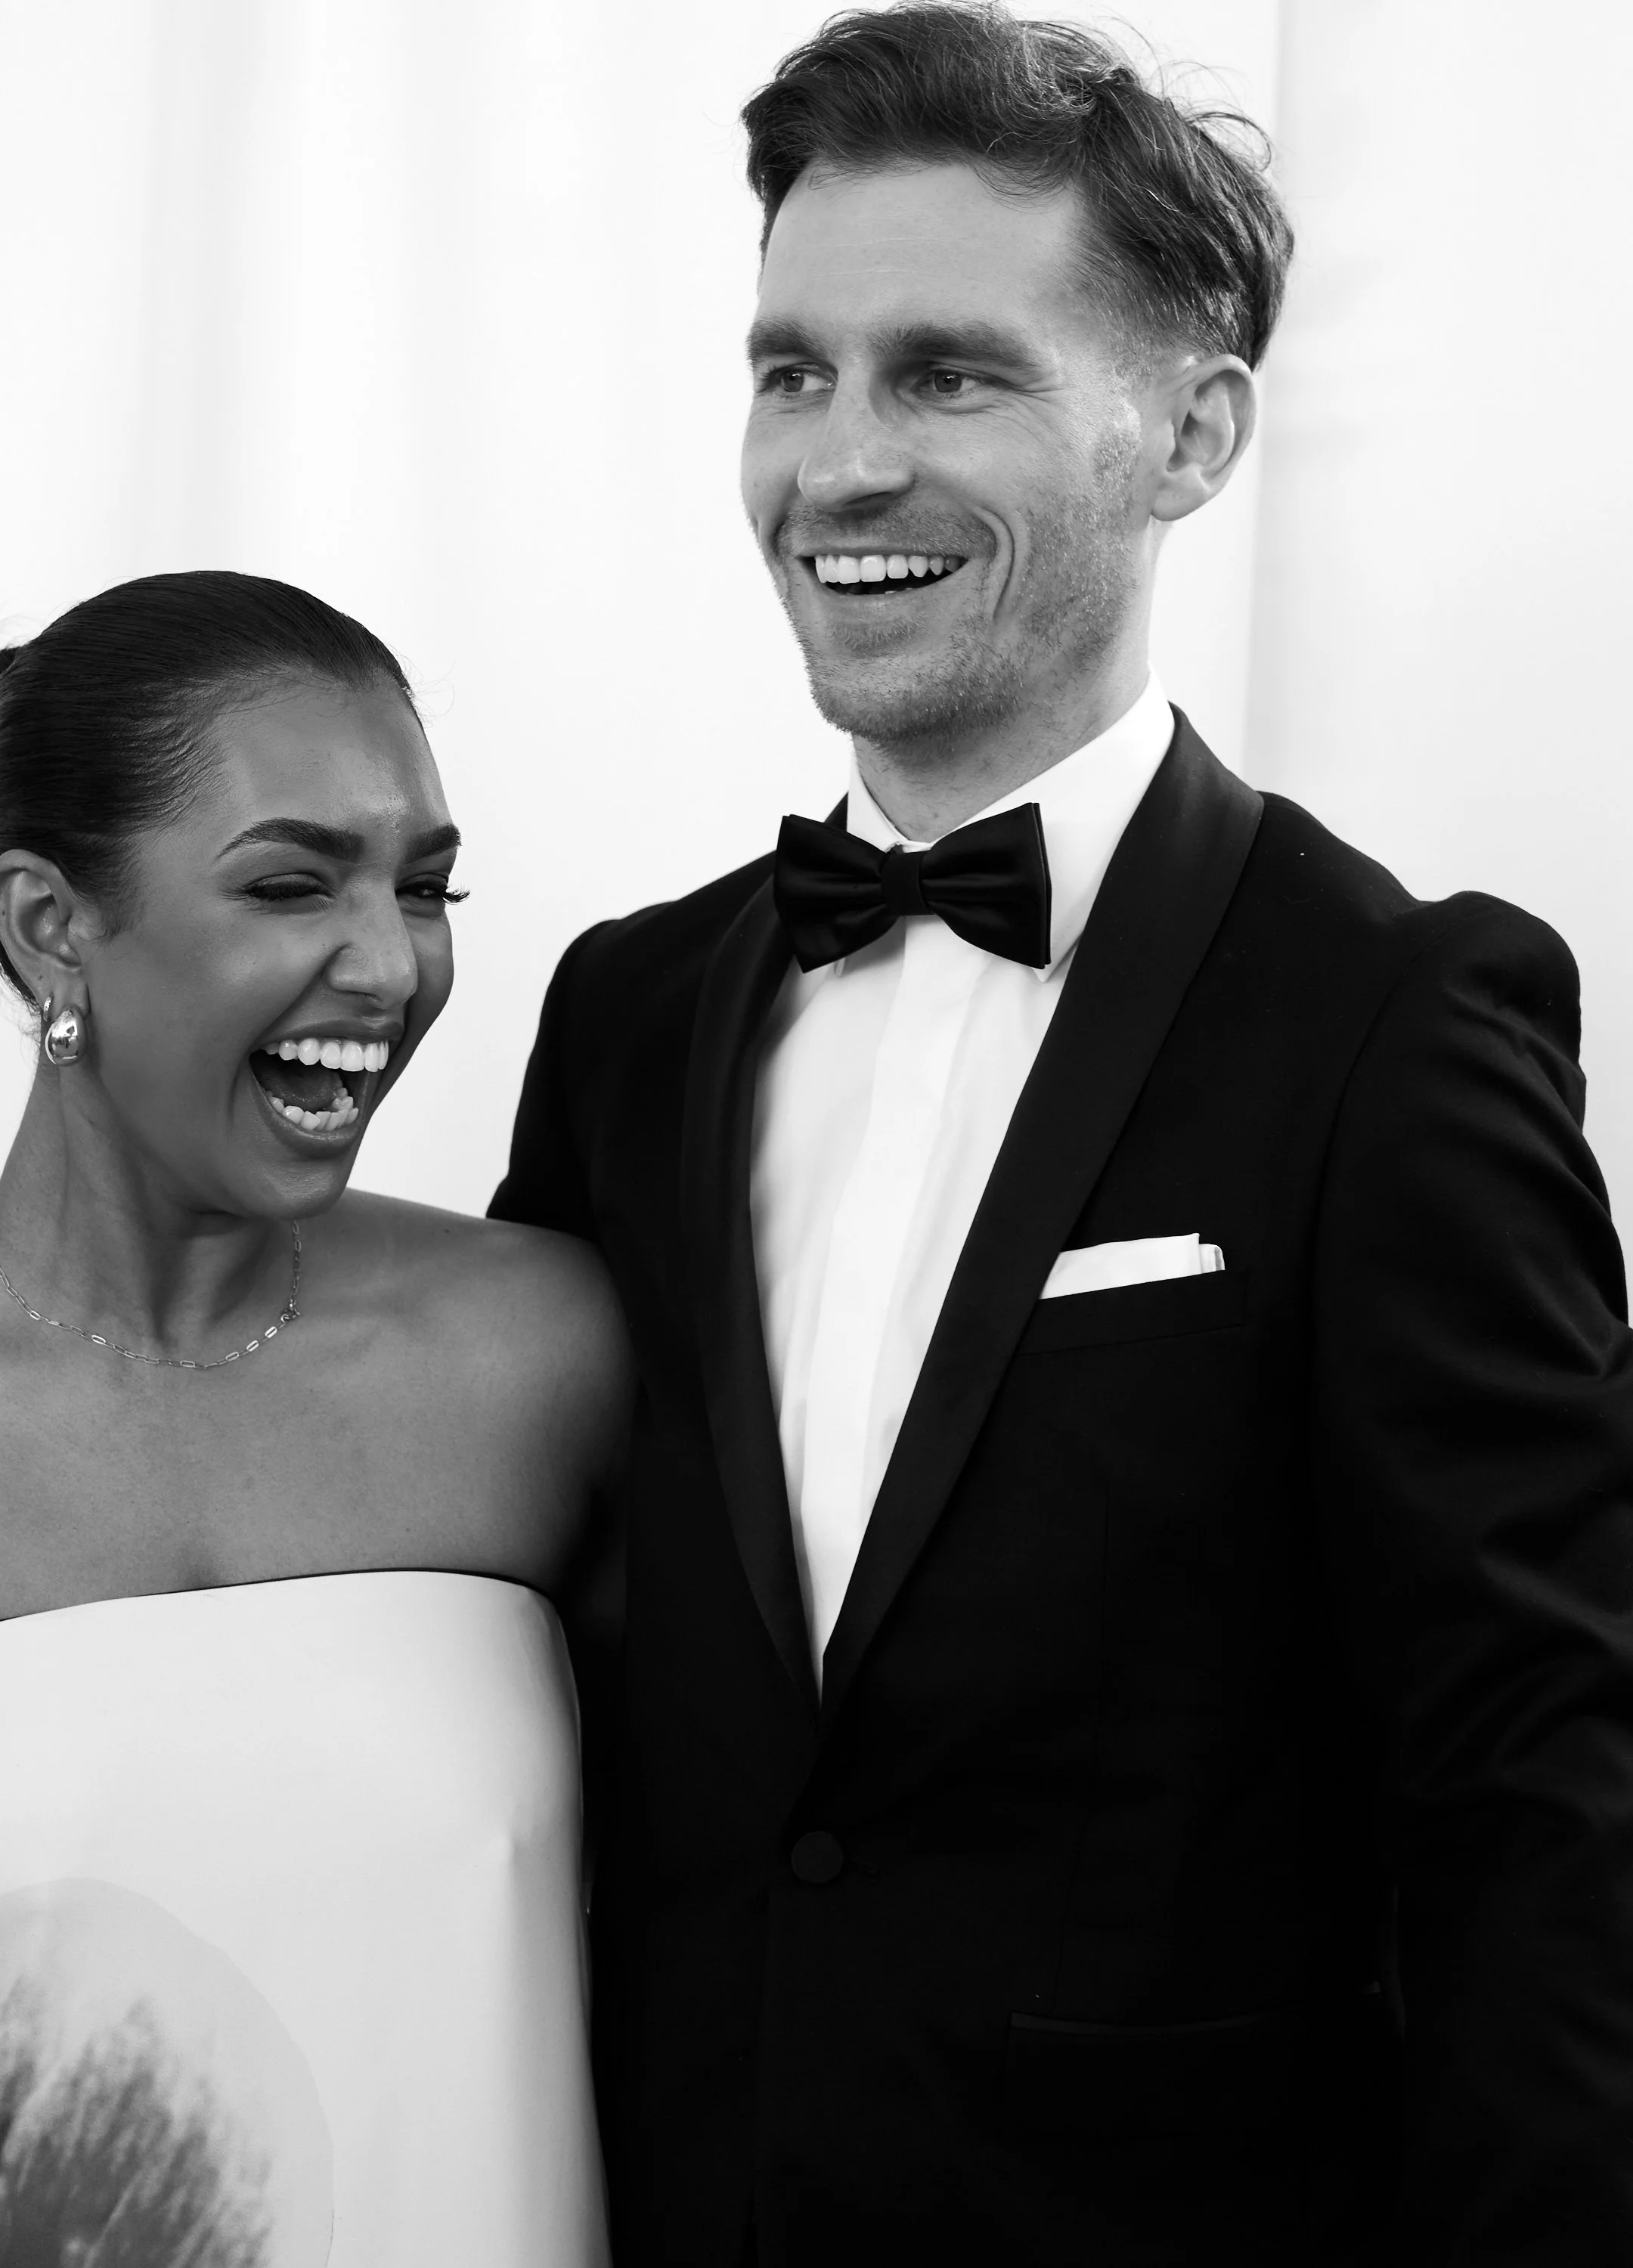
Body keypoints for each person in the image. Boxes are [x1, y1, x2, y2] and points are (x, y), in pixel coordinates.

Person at [491, 8, 1633, 2263]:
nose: (834, 468)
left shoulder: (1399, 1023)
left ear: (1190, 433)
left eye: (948, 373)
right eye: (790, 372)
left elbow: (1549, 1804)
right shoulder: (626, 1014)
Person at [0, 570, 627, 2266]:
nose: (392, 963)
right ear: (51, 924)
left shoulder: (547, 1356)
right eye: (290, 885)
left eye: (426, 885)